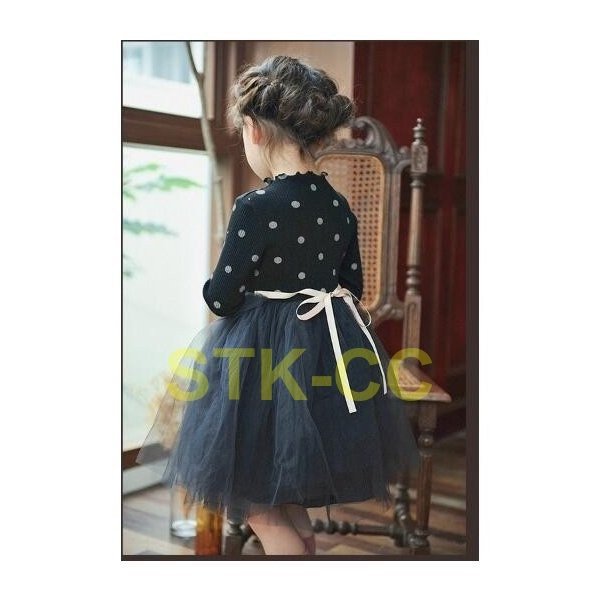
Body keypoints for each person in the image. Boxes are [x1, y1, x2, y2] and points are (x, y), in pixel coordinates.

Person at [137, 55, 419, 556]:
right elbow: (350, 284)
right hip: (323, 359)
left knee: (259, 508)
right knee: (287, 498)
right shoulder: (338, 206)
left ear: (255, 131)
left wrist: (220, 284)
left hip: (260, 363)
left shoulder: (256, 206)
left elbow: (222, 297)